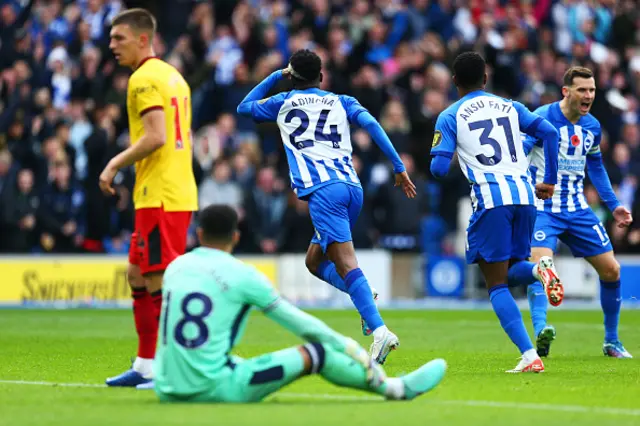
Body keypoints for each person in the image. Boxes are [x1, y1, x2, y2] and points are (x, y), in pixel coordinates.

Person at [146, 204, 446, 400]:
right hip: (215, 389)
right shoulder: (244, 276)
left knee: (230, 360)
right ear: (236, 237)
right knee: (316, 353)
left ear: (198, 234)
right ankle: (394, 388)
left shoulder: (176, 267)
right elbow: (303, 325)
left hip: (166, 386)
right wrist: (351, 349)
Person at [236, 49, 417, 364]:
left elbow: (244, 107)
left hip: (323, 191)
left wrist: (276, 76)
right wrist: (398, 166)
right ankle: (364, 297)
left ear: (292, 77)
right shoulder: (342, 101)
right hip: (351, 187)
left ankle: (380, 332)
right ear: (321, 77)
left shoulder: (284, 101)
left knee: (346, 264)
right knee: (314, 261)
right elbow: (372, 123)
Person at [430, 51, 561, 373]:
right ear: (485, 79)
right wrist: (549, 180)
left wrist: (455, 154)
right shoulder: (510, 106)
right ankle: (538, 270)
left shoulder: (450, 115)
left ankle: (530, 355)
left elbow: (437, 169)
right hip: (525, 196)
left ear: (454, 81)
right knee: (516, 267)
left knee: (496, 284)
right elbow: (550, 133)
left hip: (491, 200)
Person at [99, 8, 198, 386]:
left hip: (161, 193)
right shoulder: (173, 76)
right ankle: (145, 362)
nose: (112, 46)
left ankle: (169, 365)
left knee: (158, 277)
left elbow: (156, 136)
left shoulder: (142, 79)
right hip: (164, 190)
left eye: (118, 38)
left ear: (143, 39)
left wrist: (113, 165)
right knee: (138, 273)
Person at [522, 66, 633, 358]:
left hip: (577, 209)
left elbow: (595, 167)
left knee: (612, 270)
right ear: (566, 91)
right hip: (543, 208)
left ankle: (611, 341)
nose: (588, 96)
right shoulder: (541, 119)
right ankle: (541, 332)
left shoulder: (592, 126)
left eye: (592, 90)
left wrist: (614, 205)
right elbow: (519, 157)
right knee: (542, 269)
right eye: (582, 90)